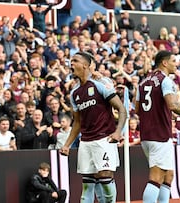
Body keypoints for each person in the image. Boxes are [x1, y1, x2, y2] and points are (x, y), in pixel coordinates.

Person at [135, 51, 180, 203]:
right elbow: (173, 105)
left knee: (168, 174)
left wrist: (162, 112)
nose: (176, 64)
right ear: (164, 62)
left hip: (146, 134)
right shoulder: (166, 80)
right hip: (159, 134)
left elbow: (137, 109)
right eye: (173, 61)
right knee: (156, 176)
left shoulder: (143, 82)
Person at [60, 52, 127, 203]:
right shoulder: (74, 93)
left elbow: (122, 109)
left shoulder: (100, 84)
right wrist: (67, 144)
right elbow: (77, 122)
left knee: (104, 176)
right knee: (87, 184)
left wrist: (118, 132)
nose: (71, 64)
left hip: (104, 139)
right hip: (85, 142)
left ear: (85, 65)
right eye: (71, 61)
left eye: (75, 61)